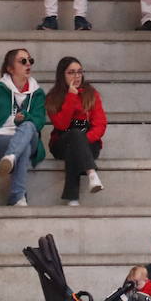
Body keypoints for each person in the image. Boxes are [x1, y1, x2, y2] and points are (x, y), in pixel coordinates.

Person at [0, 48, 46, 207]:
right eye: (23, 61)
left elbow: (39, 122)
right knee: (24, 147)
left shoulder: (37, 93)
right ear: (10, 68)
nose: (28, 64)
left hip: (29, 134)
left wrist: (26, 118)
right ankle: (18, 197)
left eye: (30, 61)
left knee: (28, 126)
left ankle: (10, 157)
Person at [44, 56, 106, 206]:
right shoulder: (53, 97)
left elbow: (100, 124)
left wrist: (83, 141)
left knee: (76, 143)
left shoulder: (91, 94)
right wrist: (71, 96)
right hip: (60, 144)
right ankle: (91, 172)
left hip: (89, 144)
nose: (77, 76)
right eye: (71, 72)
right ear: (62, 75)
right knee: (74, 135)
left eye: (79, 72)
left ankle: (72, 198)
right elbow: (62, 125)